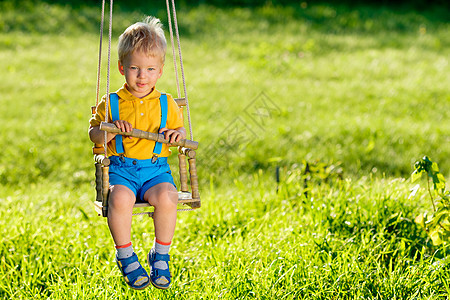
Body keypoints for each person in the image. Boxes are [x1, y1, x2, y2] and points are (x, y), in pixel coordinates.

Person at [89, 16, 185, 290]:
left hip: (156, 171)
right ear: (122, 67)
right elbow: (93, 135)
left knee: (168, 197)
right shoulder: (111, 103)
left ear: (160, 70)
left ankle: (161, 254)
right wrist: (108, 131)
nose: (142, 76)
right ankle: (126, 254)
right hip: (121, 170)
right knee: (119, 199)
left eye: (150, 69)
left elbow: (179, 134)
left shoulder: (166, 103)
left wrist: (177, 136)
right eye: (134, 68)